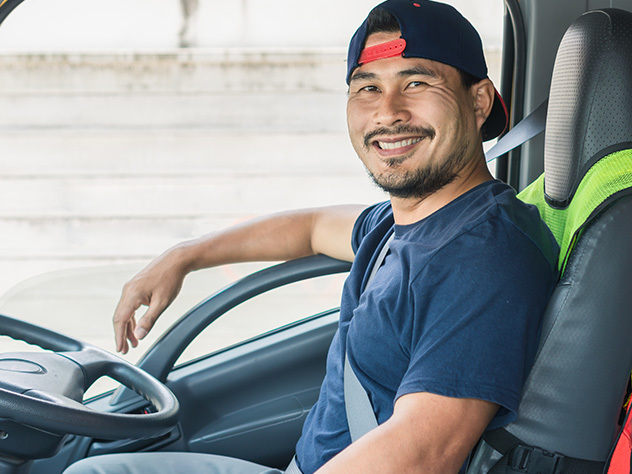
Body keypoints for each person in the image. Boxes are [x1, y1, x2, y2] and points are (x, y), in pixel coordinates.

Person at [65, 1, 559, 473]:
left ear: (478, 101)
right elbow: (314, 227)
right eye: (367, 88)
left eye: (416, 82)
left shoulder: (483, 258)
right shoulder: (404, 223)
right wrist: (183, 256)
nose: (387, 112)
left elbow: (421, 457)